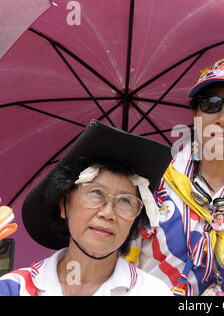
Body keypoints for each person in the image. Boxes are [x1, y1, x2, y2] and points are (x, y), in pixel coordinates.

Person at [127, 54, 224, 296]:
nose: (223, 119)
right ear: (196, 115)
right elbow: (121, 269)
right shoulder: (152, 179)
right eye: (210, 103)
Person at [0, 120, 174, 296]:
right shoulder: (13, 289)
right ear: (64, 204)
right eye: (96, 193)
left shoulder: (152, 292)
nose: (108, 214)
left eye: (125, 201)